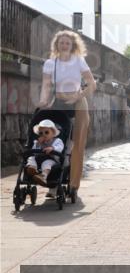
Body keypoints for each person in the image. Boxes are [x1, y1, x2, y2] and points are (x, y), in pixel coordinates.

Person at [38, 29, 96, 195]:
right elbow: (46, 85)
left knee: (76, 144)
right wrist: (43, 101)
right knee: (55, 139)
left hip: (78, 103)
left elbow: (92, 84)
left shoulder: (79, 61)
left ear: (73, 45)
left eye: (67, 43)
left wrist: (78, 96)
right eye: (61, 42)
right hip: (58, 101)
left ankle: (73, 185)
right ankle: (53, 183)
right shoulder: (50, 63)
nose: (64, 45)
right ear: (57, 44)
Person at [25, 119, 64, 188]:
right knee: (31, 158)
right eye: (41, 133)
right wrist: (38, 144)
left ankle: (43, 176)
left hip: (51, 158)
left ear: (53, 133)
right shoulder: (37, 142)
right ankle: (32, 168)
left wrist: (52, 148)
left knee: (46, 163)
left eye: (46, 132)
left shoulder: (57, 141)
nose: (43, 134)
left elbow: (60, 147)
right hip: (38, 158)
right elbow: (34, 151)